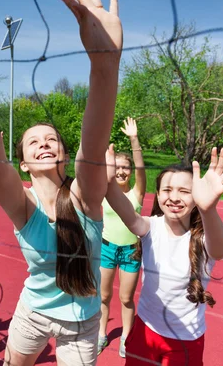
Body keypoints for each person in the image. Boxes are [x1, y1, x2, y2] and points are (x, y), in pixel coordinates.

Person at [0, 0, 122, 365]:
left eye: (52, 138)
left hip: (82, 323)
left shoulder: (85, 195)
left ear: (62, 152)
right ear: (22, 162)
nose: (44, 143)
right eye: (33, 141)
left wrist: (105, 65)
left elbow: (92, 146)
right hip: (34, 312)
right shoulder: (21, 203)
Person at [105, 145, 223, 366]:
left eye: (184, 191)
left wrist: (208, 209)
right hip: (145, 331)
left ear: (195, 197)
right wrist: (106, 181)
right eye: (167, 190)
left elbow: (220, 250)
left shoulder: (204, 238)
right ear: (157, 195)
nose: (174, 197)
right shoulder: (149, 227)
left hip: (184, 340)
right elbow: (123, 207)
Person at [98, 117, 146, 357]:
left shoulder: (137, 193)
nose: (121, 171)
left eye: (125, 167)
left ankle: (126, 337)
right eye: (115, 167)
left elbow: (140, 167)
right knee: (103, 296)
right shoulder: (105, 190)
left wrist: (134, 140)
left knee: (126, 298)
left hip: (131, 251)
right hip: (106, 248)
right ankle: (101, 333)